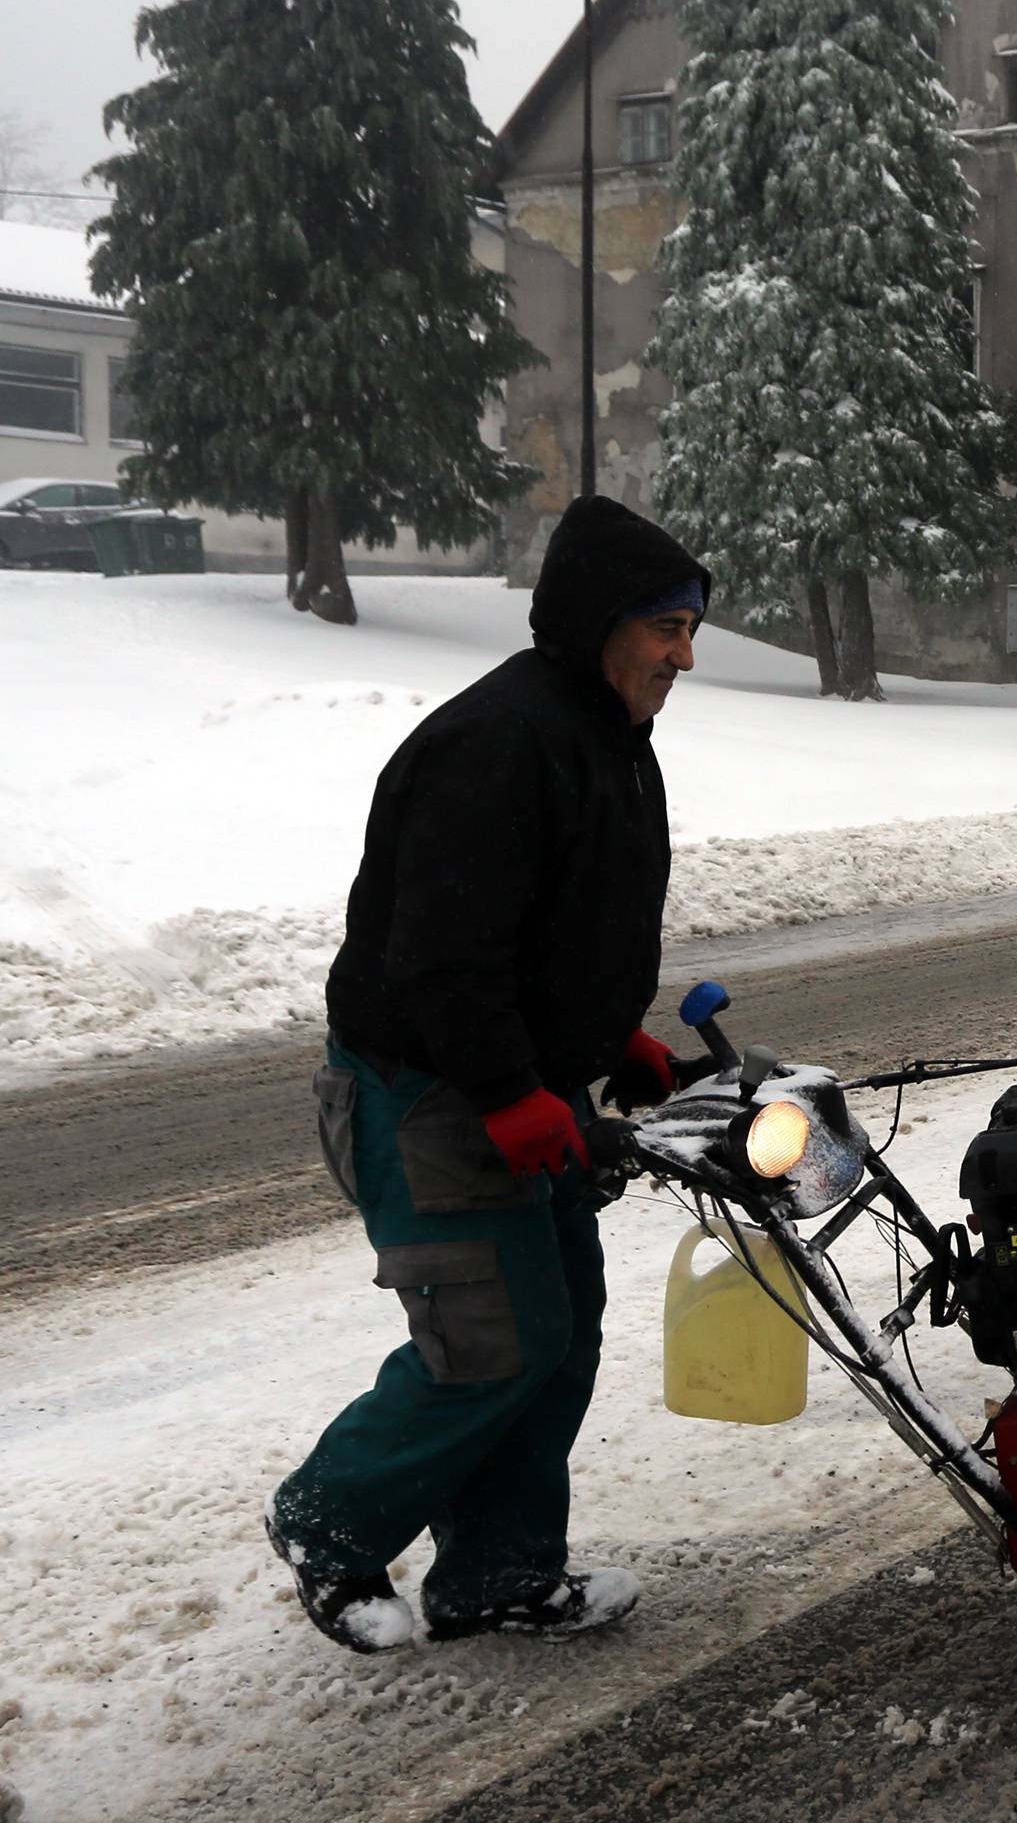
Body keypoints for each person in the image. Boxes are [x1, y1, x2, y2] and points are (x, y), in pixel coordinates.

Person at [268, 496, 711, 1653]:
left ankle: (499, 1572)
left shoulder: (609, 742)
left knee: (559, 1333)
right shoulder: (500, 741)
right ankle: (329, 1522)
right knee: (491, 1337)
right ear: (600, 622)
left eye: (690, 627)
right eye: (666, 626)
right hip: (428, 1089)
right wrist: (515, 1088)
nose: (686, 653)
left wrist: (608, 1042)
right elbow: (442, 953)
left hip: (514, 1081)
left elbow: (553, 933)